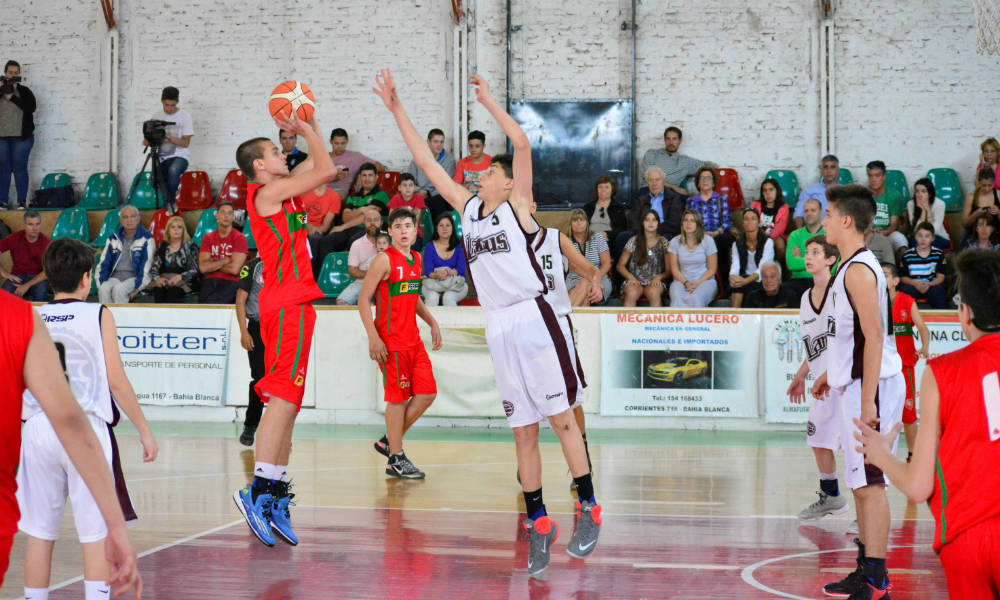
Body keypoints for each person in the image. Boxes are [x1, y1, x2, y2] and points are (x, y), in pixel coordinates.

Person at [375, 68, 602, 575]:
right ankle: (539, 521)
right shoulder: (469, 208)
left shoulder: (518, 203)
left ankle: (589, 507)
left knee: (562, 419)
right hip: (498, 325)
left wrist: (492, 103)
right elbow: (426, 164)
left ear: (504, 179)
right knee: (522, 432)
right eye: (479, 175)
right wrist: (396, 111)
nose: (479, 177)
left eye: (487, 173)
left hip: (535, 316)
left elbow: (520, 141)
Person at [854, 250, 1000, 600]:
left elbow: (919, 488)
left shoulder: (942, 373)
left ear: (964, 313)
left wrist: (881, 454)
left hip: (969, 539)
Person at [17, 238, 158, 600]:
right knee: (95, 535)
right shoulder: (99, 314)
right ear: (87, 278)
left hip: (36, 427)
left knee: (40, 534)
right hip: (84, 430)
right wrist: (144, 431)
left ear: (48, 277)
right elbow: (116, 380)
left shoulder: (29, 316)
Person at [233, 111, 336, 548]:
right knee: (282, 398)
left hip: (295, 301)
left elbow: (319, 171)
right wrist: (309, 128)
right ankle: (257, 489)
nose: (281, 151)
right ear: (259, 164)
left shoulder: (286, 194)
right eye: (275, 150)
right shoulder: (268, 192)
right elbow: (328, 169)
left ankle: (273, 491)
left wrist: (307, 133)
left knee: (288, 402)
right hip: (285, 301)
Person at [813, 184, 905, 600]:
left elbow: (874, 335)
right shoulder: (847, 265)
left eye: (830, 213)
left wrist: (868, 400)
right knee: (859, 483)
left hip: (875, 388)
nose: (824, 219)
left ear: (847, 220)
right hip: (856, 386)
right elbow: (846, 336)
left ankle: (877, 581)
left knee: (871, 484)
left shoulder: (857, 270)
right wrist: (829, 374)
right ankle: (865, 568)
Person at [359, 208, 442, 478]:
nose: (404, 230)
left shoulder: (416, 258)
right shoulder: (383, 260)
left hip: (413, 341)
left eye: (409, 225)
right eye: (398, 226)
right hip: (391, 343)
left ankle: (388, 442)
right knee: (397, 400)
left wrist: (431, 321)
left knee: (427, 392)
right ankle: (396, 457)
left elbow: (413, 295)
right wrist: (373, 338)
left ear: (415, 229)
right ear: (390, 231)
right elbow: (363, 300)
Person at [530, 211, 602, 486]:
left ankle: (582, 457)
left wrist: (594, 282)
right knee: (530, 396)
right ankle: (527, 457)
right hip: (529, 326)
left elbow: (589, 270)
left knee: (572, 398)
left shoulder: (555, 238)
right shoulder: (511, 244)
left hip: (557, 324)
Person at [788, 234, 846, 522]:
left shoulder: (842, 292)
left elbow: (846, 342)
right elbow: (815, 347)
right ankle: (831, 495)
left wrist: (827, 372)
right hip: (823, 382)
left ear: (831, 260)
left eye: (815, 252)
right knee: (818, 440)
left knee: (856, 447)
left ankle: (867, 511)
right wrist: (801, 375)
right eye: (807, 252)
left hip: (847, 379)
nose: (808, 257)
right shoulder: (804, 298)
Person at [883, 262, 930, 461]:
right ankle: (880, 455)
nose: (880, 277)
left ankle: (914, 454)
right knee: (879, 413)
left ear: (895, 281)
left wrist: (925, 346)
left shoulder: (907, 301)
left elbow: (922, 327)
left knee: (908, 413)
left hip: (904, 366)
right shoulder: (871, 301)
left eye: (884, 274)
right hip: (881, 368)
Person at [146, 86, 193, 213]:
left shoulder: (185, 116)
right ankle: (168, 205)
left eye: (173, 105)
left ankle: (170, 203)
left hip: (180, 155)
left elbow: (185, 143)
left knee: (173, 170)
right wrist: (148, 139)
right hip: (161, 157)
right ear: (162, 101)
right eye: (167, 105)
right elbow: (148, 140)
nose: (170, 108)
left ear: (177, 102)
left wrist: (167, 136)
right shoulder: (156, 116)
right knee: (156, 180)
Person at [97, 205, 155, 304]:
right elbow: (104, 264)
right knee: (103, 288)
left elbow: (146, 267)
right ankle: (107, 318)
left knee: (119, 290)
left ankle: (121, 319)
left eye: (132, 216)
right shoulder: (113, 238)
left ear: (138, 219)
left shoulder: (147, 238)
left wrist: (138, 287)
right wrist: (101, 282)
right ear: (121, 220)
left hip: (134, 278)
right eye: (125, 217)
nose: (129, 220)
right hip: (115, 277)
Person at [623, 166, 687, 254]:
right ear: (647, 182)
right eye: (651, 180)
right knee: (623, 237)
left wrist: (653, 231)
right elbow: (633, 220)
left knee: (670, 239)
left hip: (664, 233)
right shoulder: (640, 198)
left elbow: (675, 222)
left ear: (664, 181)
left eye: (657, 180)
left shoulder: (674, 197)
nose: (654, 183)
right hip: (643, 233)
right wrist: (644, 233)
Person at [236, 256, 265, 447]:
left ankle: (280, 430)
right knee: (260, 378)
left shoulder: (288, 262)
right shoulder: (252, 266)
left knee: (283, 381)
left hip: (282, 328)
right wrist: (244, 331)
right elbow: (240, 299)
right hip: (257, 327)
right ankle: (250, 425)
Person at [0, 60, 36, 208]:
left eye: (16, 73)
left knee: (20, 169)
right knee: (3, 170)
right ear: (5, 73)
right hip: (1, 138)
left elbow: (30, 108)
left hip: (22, 138)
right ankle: (2, 201)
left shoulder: (24, 91)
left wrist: (13, 97)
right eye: (10, 73)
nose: (12, 76)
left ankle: (21, 202)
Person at [687, 165, 734, 276]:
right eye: (702, 178)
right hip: (698, 235)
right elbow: (688, 222)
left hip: (718, 234)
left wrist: (716, 232)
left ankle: (724, 283)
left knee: (721, 241)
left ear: (713, 183)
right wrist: (701, 234)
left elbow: (727, 222)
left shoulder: (721, 199)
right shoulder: (691, 201)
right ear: (698, 183)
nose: (705, 181)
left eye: (708, 178)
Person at [198, 201, 248, 304]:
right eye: (223, 212)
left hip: (232, 282)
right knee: (202, 307)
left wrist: (212, 263)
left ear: (233, 216)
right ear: (217, 216)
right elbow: (203, 268)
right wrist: (225, 260)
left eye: (230, 213)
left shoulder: (240, 238)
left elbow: (234, 269)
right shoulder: (207, 238)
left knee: (212, 302)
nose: (226, 216)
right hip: (210, 281)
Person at [618, 210, 670, 307]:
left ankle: (656, 322)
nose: (651, 223)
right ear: (642, 223)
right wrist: (631, 278)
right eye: (647, 220)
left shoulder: (664, 242)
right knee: (632, 293)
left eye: (654, 220)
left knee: (654, 294)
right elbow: (620, 266)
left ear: (658, 223)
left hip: (655, 281)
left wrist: (658, 278)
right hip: (634, 279)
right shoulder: (633, 241)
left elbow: (669, 270)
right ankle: (628, 322)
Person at [667, 209, 718, 308]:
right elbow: (674, 269)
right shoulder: (674, 241)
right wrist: (685, 283)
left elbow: (712, 269)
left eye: (692, 221)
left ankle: (699, 324)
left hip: (704, 281)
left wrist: (697, 283)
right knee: (677, 298)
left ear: (698, 224)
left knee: (696, 298)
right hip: (681, 281)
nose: (688, 223)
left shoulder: (708, 241)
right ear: (682, 224)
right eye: (686, 220)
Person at [639, 126, 711, 195]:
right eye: (668, 139)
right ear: (664, 140)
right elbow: (646, 178)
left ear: (680, 141)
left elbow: (709, 166)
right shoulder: (652, 154)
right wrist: (673, 187)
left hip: (669, 195)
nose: (671, 143)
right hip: (648, 191)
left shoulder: (685, 161)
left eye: (674, 139)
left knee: (682, 197)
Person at [146, 215, 199, 303]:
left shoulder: (190, 246)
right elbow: (154, 268)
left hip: (183, 281)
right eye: (173, 227)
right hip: (164, 280)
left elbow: (195, 269)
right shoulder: (162, 245)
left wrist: (180, 277)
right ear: (168, 230)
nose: (176, 230)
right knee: (159, 292)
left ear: (183, 230)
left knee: (173, 292)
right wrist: (158, 278)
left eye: (179, 227)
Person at [407, 128, 456, 219]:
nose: (439, 145)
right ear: (428, 142)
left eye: (441, 142)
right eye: (436, 141)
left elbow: (447, 185)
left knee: (437, 201)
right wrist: (419, 190)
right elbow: (408, 182)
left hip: (439, 196)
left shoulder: (450, 161)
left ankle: (436, 231)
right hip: (419, 194)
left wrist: (429, 193)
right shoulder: (417, 160)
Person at [565, 209, 612, 305]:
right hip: (574, 279)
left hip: (600, 277)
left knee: (586, 289)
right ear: (570, 224)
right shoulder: (566, 242)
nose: (579, 223)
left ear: (587, 223)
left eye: (582, 220)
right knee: (585, 284)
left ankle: (569, 318)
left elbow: (606, 263)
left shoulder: (598, 238)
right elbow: (573, 266)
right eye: (575, 220)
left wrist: (596, 280)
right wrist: (593, 281)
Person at [337, 212, 385, 306]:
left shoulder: (391, 241)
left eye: (376, 220)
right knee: (342, 302)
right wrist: (372, 274)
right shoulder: (356, 244)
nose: (372, 223)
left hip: (386, 281)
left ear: (381, 222)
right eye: (369, 220)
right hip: (364, 281)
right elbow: (352, 271)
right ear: (364, 222)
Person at [729, 208, 774, 308]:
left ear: (758, 223)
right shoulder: (737, 243)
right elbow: (735, 265)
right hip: (744, 279)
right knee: (738, 285)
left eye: (753, 219)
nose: (749, 222)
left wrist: (745, 281)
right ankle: (734, 317)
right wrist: (733, 277)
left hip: (763, 280)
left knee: (742, 287)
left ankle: (734, 316)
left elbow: (763, 268)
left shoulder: (767, 242)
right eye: (746, 219)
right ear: (743, 223)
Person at [0, 210, 49, 300]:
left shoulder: (47, 243)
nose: (34, 228)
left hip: (37, 278)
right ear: (24, 225)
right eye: (30, 224)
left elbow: (47, 271)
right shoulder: (14, 238)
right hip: (17, 276)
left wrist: (27, 285)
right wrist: (4, 273)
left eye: (37, 224)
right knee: (3, 297)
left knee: (40, 297)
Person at [421, 213, 468, 306]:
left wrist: (447, 273)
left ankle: (452, 321)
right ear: (436, 228)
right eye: (441, 225)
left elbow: (461, 270)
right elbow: (428, 271)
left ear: (452, 228)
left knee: (448, 297)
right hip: (433, 283)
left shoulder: (459, 247)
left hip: (455, 285)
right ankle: (429, 321)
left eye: (448, 225)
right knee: (432, 297)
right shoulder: (430, 246)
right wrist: (437, 275)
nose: (444, 228)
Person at [898, 223, 948, 309]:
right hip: (913, 284)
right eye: (920, 235)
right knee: (906, 293)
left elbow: (941, 276)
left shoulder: (938, 254)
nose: (923, 239)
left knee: (939, 293)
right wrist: (915, 283)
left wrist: (929, 284)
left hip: (931, 284)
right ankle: (903, 320)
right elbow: (903, 277)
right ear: (915, 237)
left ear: (933, 238)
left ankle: (941, 319)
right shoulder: (907, 255)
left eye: (927, 236)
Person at [326, 127, 384, 200]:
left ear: (347, 141)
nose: (340, 147)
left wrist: (361, 176)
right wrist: (334, 178)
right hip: (320, 189)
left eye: (343, 143)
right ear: (331, 142)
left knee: (334, 197)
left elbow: (380, 166)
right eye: (336, 143)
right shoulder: (323, 158)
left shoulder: (355, 157)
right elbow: (315, 178)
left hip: (339, 190)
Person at [786, 198, 825, 298]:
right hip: (798, 282)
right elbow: (791, 264)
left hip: (824, 280)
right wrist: (820, 259)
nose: (809, 213)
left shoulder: (829, 234)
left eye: (813, 210)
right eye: (806, 211)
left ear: (821, 212)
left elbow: (833, 263)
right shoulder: (795, 235)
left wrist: (802, 259)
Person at [867, 160, 908, 251]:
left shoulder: (894, 195)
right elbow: (861, 222)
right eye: (870, 176)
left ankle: (903, 264)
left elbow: (894, 223)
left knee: (900, 239)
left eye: (877, 175)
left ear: (884, 176)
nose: (873, 179)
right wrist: (871, 231)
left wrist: (885, 232)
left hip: (888, 233)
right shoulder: (863, 195)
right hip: (868, 234)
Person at [583, 175, 628, 250]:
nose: (603, 189)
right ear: (596, 189)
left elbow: (622, 229)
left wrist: (606, 234)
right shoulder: (588, 207)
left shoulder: (618, 207)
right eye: (600, 187)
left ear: (612, 190)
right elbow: (582, 226)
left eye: (606, 187)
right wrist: (594, 235)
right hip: (590, 241)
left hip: (609, 241)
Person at [795, 154, 840, 228]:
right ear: (822, 171)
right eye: (825, 167)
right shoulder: (809, 191)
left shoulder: (845, 192)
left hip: (838, 232)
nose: (829, 171)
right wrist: (802, 236)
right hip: (815, 233)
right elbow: (798, 215)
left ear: (837, 170)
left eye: (832, 167)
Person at [906, 177, 948, 250]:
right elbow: (916, 230)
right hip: (918, 238)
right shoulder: (911, 204)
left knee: (928, 246)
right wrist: (923, 211)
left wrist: (928, 210)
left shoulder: (940, 204)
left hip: (938, 236)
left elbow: (935, 230)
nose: (919, 194)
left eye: (923, 191)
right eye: (917, 191)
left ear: (930, 194)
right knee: (916, 244)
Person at [751, 178, 789, 257]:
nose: (768, 193)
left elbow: (780, 227)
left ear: (777, 191)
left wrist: (769, 238)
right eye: (765, 190)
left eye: (771, 189)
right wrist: (760, 235)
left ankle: (781, 267)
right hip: (758, 234)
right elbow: (751, 223)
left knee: (780, 245)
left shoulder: (784, 207)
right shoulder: (755, 205)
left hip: (774, 235)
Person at [388, 173, 426, 249]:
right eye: (405, 185)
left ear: (414, 187)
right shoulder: (395, 199)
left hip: (414, 233)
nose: (408, 188)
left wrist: (400, 215)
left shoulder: (418, 198)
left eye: (410, 185)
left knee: (410, 247)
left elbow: (415, 220)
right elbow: (391, 218)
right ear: (399, 188)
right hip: (398, 232)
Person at [962, 166, 1000, 231]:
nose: (987, 189)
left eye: (989, 185)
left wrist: (999, 213)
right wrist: (975, 215)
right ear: (979, 183)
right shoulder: (971, 198)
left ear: (994, 183)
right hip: (976, 235)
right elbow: (964, 224)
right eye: (984, 185)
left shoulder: (999, 195)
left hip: (996, 234)